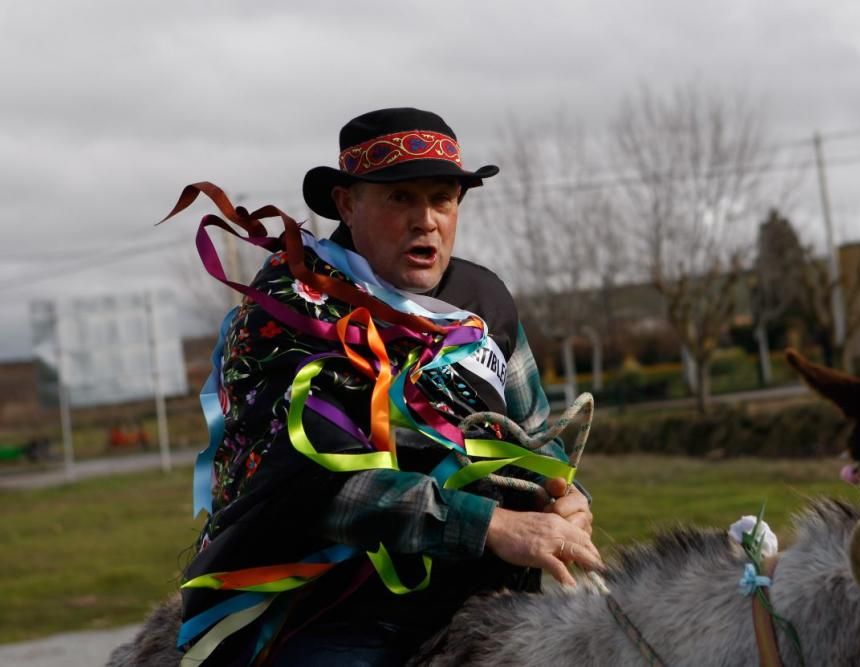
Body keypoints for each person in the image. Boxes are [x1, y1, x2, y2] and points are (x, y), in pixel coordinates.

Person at [177, 107, 601, 665]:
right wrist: (489, 526)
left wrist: (567, 498)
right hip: (336, 613)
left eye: (442, 198)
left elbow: (537, 436)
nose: (426, 219)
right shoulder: (287, 316)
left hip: (489, 599)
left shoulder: (485, 301)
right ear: (348, 205)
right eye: (400, 198)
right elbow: (317, 491)